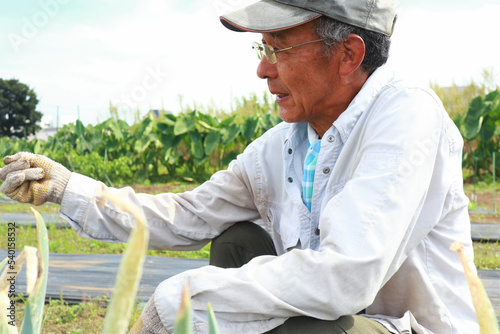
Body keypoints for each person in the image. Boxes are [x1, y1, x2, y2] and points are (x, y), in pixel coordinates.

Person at [0, 0, 479, 333]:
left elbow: (344, 276)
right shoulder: (285, 144)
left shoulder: (406, 116)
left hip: (408, 327)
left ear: (348, 55)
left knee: (300, 326)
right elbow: (187, 214)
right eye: (262, 48)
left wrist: (181, 299)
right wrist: (67, 187)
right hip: (347, 318)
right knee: (237, 243)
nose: (263, 69)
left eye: (279, 47)